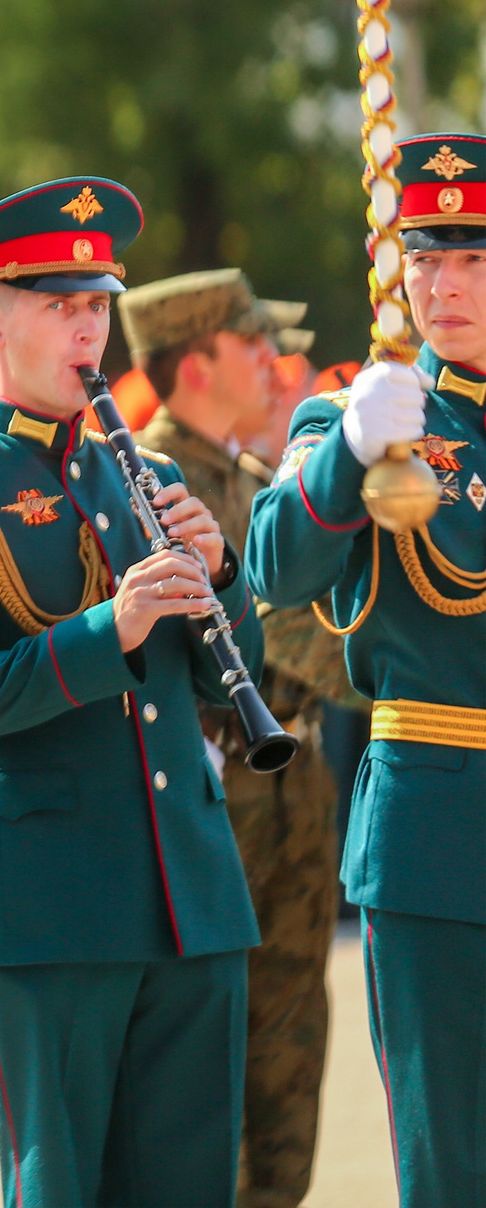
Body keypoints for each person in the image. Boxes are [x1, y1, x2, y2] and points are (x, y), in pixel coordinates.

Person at [0, 177, 263, 1208]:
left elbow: (235, 680)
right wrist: (112, 626)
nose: (88, 328)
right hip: (46, 908)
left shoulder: (129, 469)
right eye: (60, 305)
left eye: (97, 305)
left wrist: (220, 573)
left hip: (188, 892)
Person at [248, 132, 486, 1207]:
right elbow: (275, 563)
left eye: (472, 259)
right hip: (439, 833)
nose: (441, 283)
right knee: (452, 1164)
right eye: (425, 256)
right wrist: (346, 448)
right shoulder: (367, 415)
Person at [121, 270, 346, 1208]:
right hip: (213, 788)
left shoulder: (252, 479)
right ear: (198, 361)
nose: (276, 360)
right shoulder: (145, 484)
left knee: (292, 1039)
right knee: (205, 1058)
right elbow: (296, 628)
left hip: (296, 779)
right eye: (253, 343)